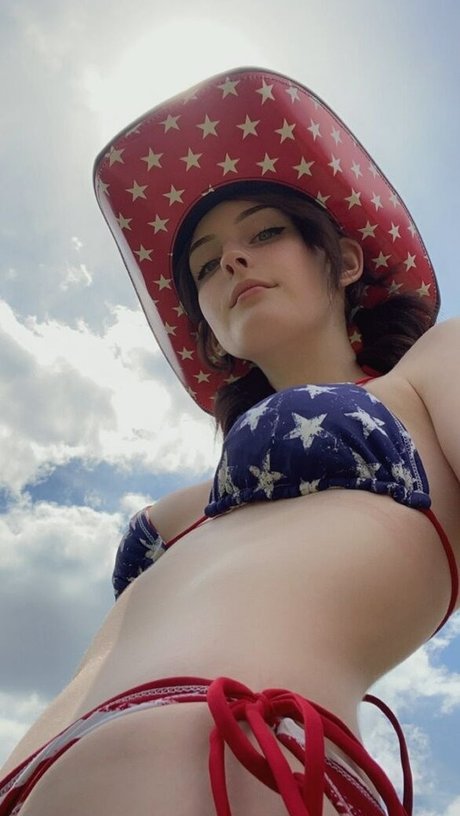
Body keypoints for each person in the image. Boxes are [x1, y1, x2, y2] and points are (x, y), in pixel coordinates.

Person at [0, 66, 459, 816]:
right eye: (206, 266)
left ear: (344, 260)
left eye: (265, 232)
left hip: (243, 762)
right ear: (209, 330)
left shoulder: (435, 366)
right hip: (31, 779)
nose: (233, 262)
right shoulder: (186, 506)